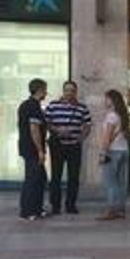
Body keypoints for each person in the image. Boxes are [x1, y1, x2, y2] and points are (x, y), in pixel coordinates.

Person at [45, 80, 92, 215]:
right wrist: (57, 130)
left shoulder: (82, 108)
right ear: (63, 91)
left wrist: (81, 138)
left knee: (74, 177)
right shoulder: (53, 105)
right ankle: (55, 205)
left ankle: (71, 205)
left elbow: (87, 124)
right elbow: (46, 122)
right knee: (56, 176)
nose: (69, 93)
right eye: (67, 90)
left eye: (72, 90)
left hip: (74, 146)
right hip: (57, 146)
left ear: (76, 92)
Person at [97, 89, 130, 221]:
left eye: (106, 98)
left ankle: (111, 209)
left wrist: (103, 152)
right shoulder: (122, 116)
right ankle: (121, 209)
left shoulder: (111, 116)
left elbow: (107, 136)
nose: (104, 101)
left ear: (112, 100)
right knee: (121, 182)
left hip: (112, 151)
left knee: (111, 182)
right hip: (123, 150)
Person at [17, 79, 48, 221]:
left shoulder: (29, 105)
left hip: (29, 148)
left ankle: (37, 208)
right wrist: (40, 150)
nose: (46, 93)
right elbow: (34, 129)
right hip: (32, 149)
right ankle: (27, 211)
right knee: (32, 179)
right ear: (39, 90)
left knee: (40, 178)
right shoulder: (32, 107)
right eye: (45, 90)